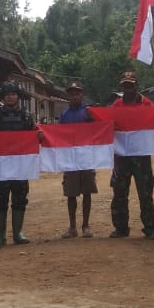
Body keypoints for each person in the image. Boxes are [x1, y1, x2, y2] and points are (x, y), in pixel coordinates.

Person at [0, 81, 37, 246]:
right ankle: (0, 236)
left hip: (21, 164)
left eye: (13, 94)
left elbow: (34, 135)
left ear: (18, 97)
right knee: (1, 199)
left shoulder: (26, 117)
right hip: (1, 165)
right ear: (3, 97)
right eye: (7, 95)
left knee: (20, 198)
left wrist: (39, 136)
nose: (10, 97)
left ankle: (17, 233)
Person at [108, 71, 154, 239]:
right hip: (122, 156)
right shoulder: (116, 105)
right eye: (125, 86)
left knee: (145, 193)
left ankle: (150, 227)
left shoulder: (147, 105)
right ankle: (121, 227)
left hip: (141, 156)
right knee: (119, 193)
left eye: (130, 85)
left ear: (136, 86)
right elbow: (108, 124)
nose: (128, 89)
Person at [58, 80, 96, 239]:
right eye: (72, 94)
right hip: (70, 159)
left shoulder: (88, 113)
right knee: (71, 193)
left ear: (82, 95)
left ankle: (85, 225)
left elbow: (98, 129)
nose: (75, 96)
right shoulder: (64, 115)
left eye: (77, 93)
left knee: (87, 191)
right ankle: (72, 227)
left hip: (86, 158)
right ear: (68, 96)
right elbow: (58, 135)